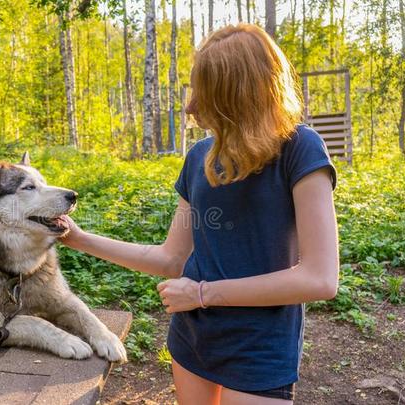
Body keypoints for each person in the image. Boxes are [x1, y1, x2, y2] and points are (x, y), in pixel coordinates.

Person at [60, 23, 339, 405]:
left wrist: (203, 293)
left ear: (237, 95)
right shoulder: (198, 159)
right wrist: (77, 238)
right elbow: (171, 258)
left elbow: (320, 279)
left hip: (260, 351)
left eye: (203, 93)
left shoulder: (299, 150)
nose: (190, 107)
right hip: (193, 341)